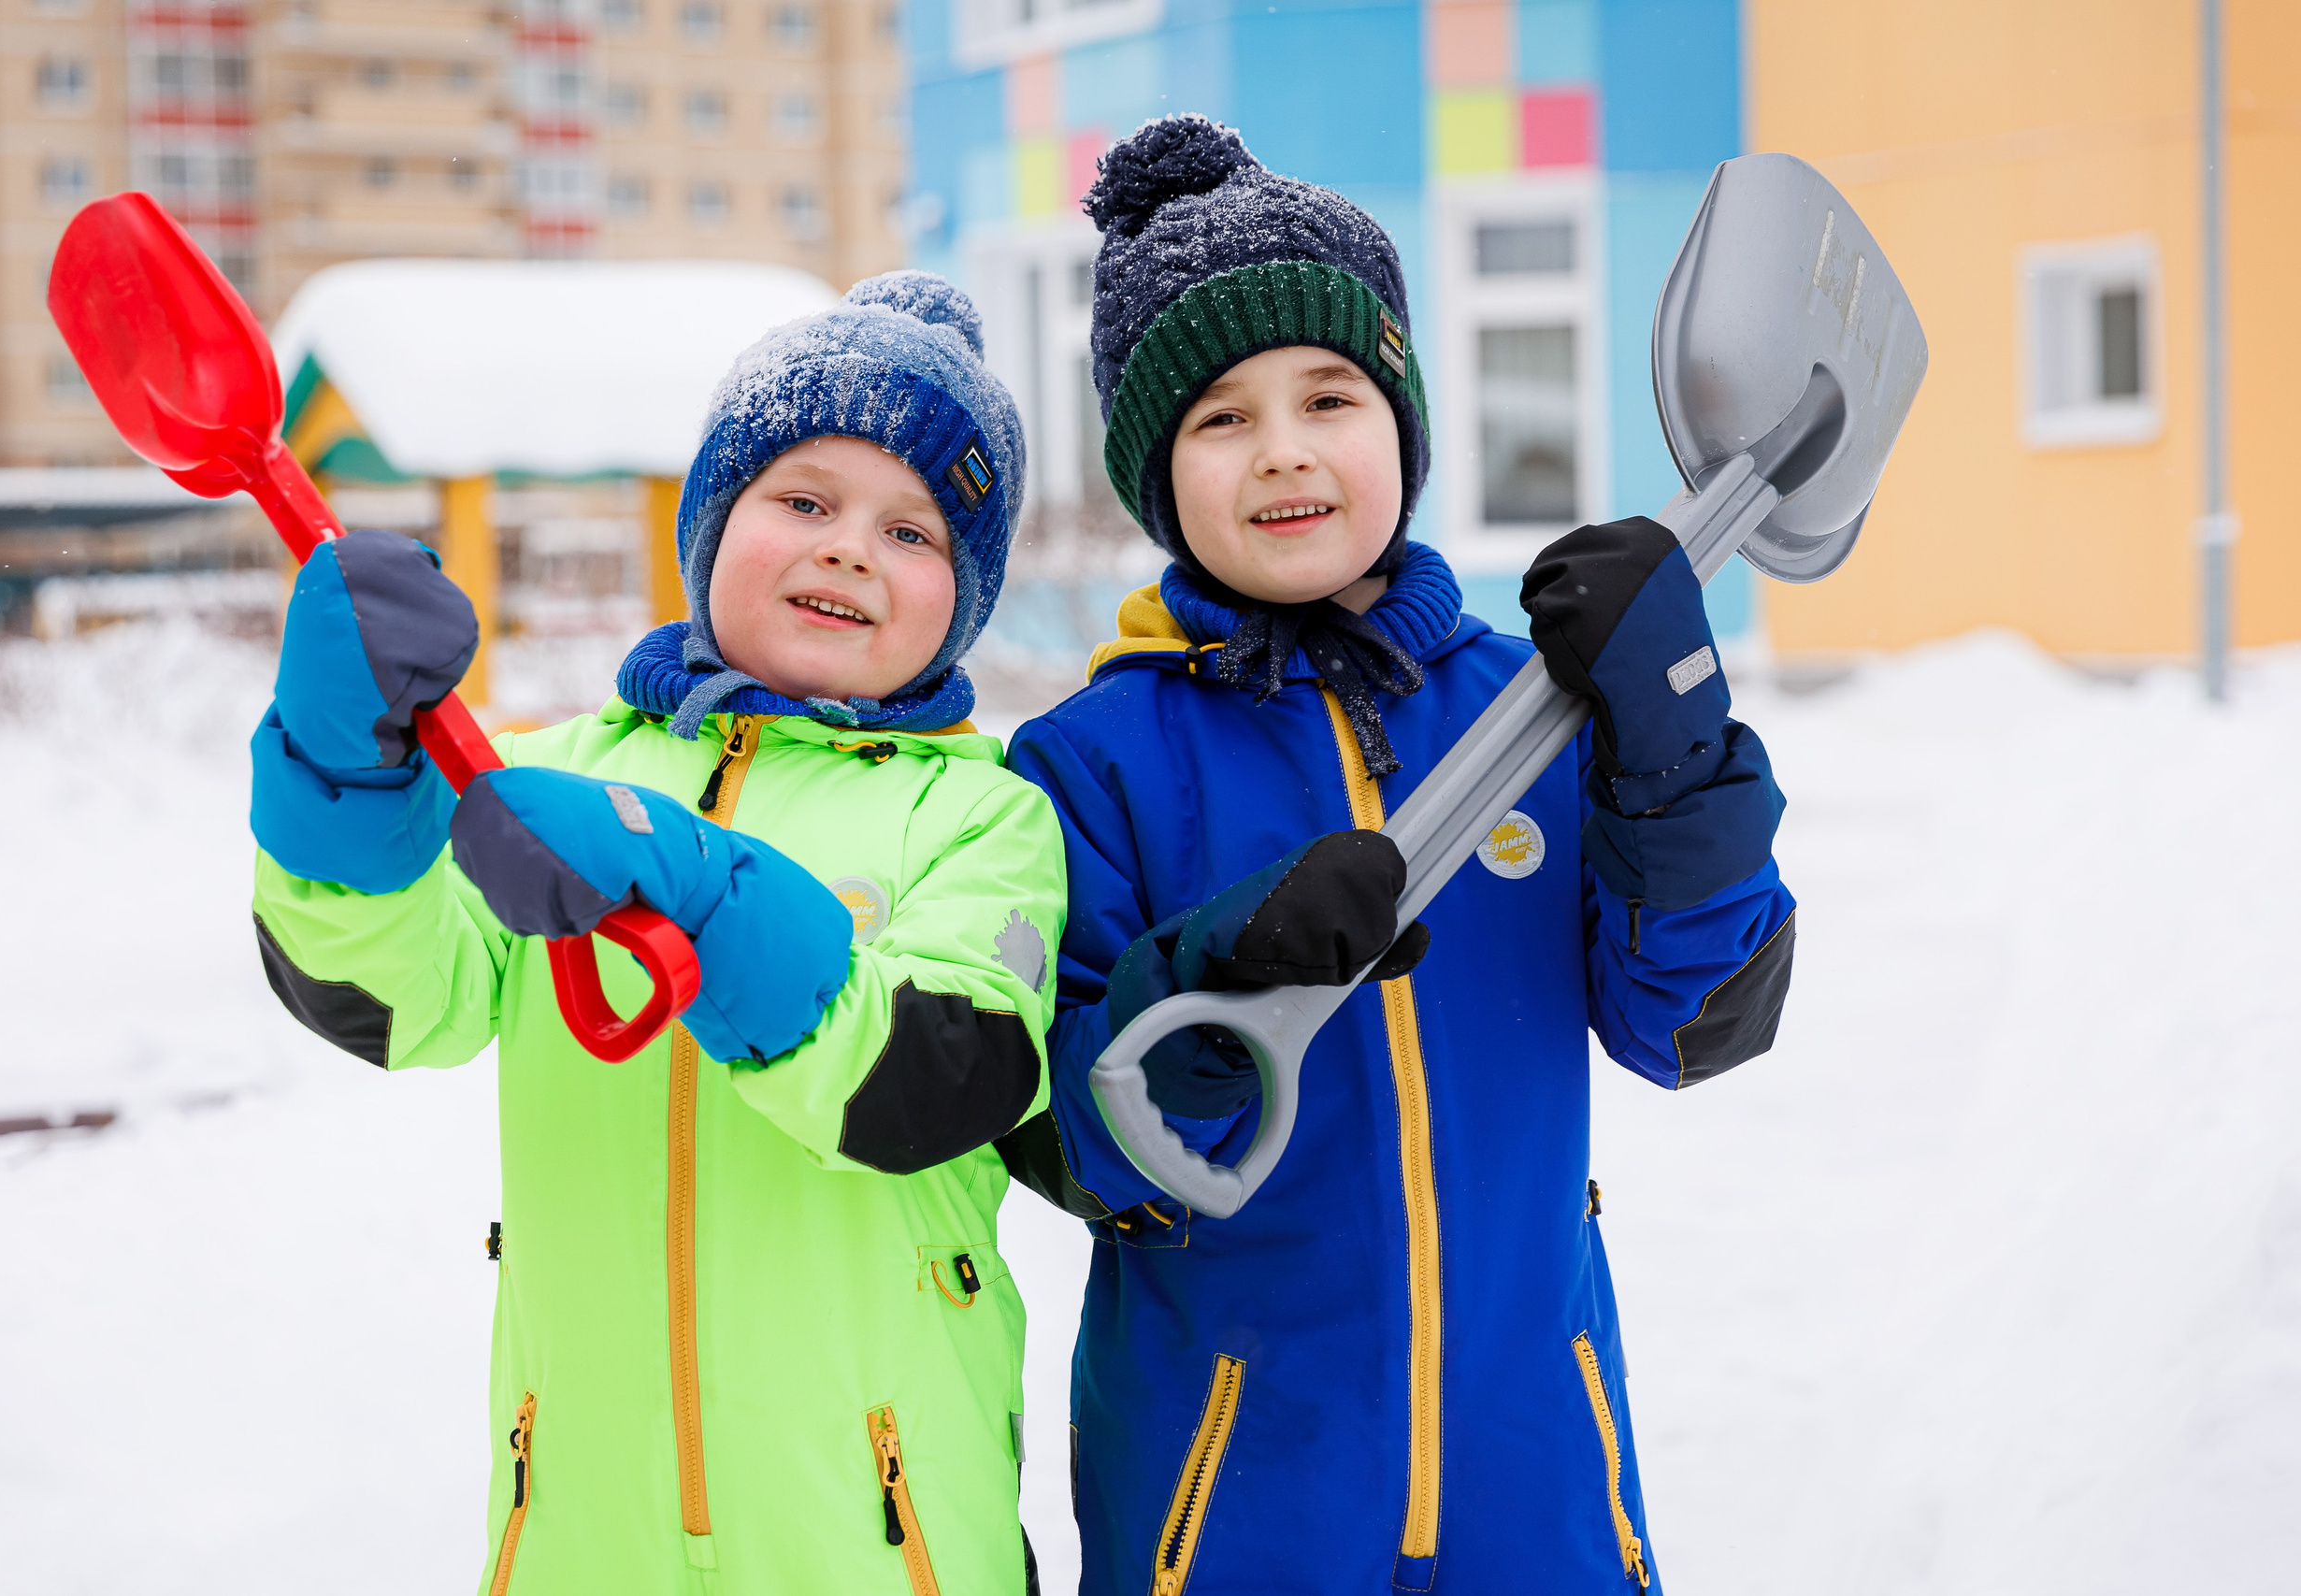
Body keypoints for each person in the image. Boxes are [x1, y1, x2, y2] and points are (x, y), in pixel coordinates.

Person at [999, 118, 1797, 1594]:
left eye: (1330, 395)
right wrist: (1220, 984)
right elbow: (1070, 1144)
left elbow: (1693, 1023)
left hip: (1536, 1499)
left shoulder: (1541, 706)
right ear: (1155, 474)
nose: (1285, 449)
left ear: (1404, 422)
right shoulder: (1093, 767)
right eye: (1220, 417)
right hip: (1232, 1519)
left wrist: (1673, 732)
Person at [250, 272, 1063, 1595]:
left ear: (963, 597)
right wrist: (344, 777)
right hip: (584, 1536)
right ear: (712, 523)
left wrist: (704, 887)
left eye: (912, 531)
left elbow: (938, 1075)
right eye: (804, 501)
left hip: (878, 1541)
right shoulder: (543, 777)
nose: (850, 550)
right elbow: (390, 999)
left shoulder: (982, 816)